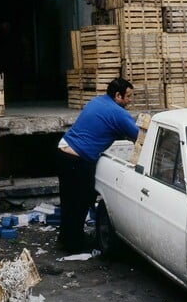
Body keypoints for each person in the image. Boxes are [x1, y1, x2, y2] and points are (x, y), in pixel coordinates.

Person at [56, 77, 140, 252]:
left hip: (63, 151)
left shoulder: (97, 101)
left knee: (68, 200)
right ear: (118, 95)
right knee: (83, 200)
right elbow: (139, 138)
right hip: (78, 159)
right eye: (129, 96)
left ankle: (66, 238)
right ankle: (74, 245)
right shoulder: (119, 113)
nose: (130, 101)